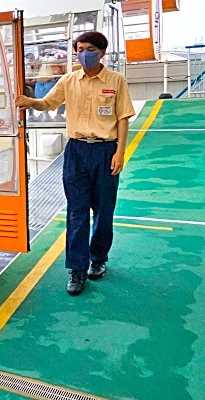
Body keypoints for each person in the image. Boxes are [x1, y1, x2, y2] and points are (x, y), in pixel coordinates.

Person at [15, 31, 134, 296]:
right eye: (79, 49)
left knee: (103, 210)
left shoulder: (116, 81)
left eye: (90, 48)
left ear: (102, 52)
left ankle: (98, 258)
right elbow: (47, 103)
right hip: (77, 152)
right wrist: (28, 101)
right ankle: (77, 269)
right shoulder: (69, 80)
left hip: (105, 151)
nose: (84, 53)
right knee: (76, 211)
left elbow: (124, 118)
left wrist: (120, 153)